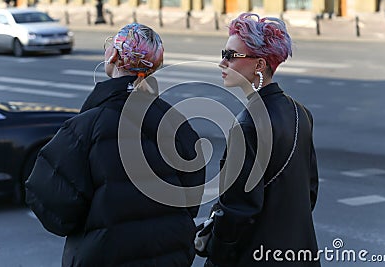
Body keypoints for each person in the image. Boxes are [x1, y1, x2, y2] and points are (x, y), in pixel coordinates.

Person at [25, 23, 205, 267]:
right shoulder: (177, 124)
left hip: (104, 255)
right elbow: (191, 197)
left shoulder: (85, 127)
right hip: (169, 254)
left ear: (114, 56)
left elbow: (53, 204)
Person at [199, 13, 320, 266]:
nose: (222, 62)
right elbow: (309, 193)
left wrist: (217, 255)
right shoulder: (301, 113)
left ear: (259, 65)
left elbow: (237, 210)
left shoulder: (248, 124)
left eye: (231, 55)